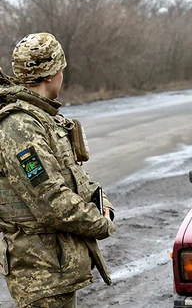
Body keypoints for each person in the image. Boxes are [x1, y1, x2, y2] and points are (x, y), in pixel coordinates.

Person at [0, 33, 115, 308]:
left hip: (57, 268)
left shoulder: (44, 118)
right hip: (41, 273)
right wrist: (100, 223)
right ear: (52, 74)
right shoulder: (20, 126)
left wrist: (102, 201)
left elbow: (75, 174)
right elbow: (50, 200)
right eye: (61, 68)